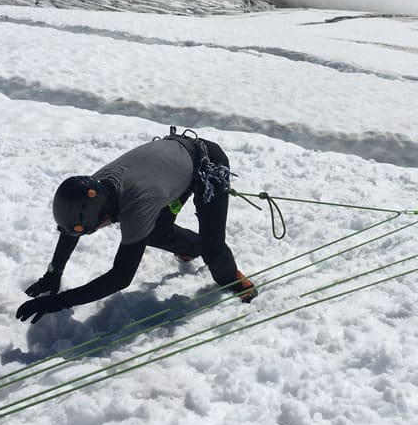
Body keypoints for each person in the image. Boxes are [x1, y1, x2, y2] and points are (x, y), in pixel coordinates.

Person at [16, 129, 256, 324]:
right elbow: (72, 230)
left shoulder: (137, 204)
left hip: (207, 165)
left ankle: (230, 277)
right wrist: (53, 273)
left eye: (95, 228)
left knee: (212, 247)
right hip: (171, 168)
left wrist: (57, 302)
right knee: (152, 232)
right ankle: (191, 247)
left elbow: (121, 277)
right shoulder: (96, 187)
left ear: (104, 215)